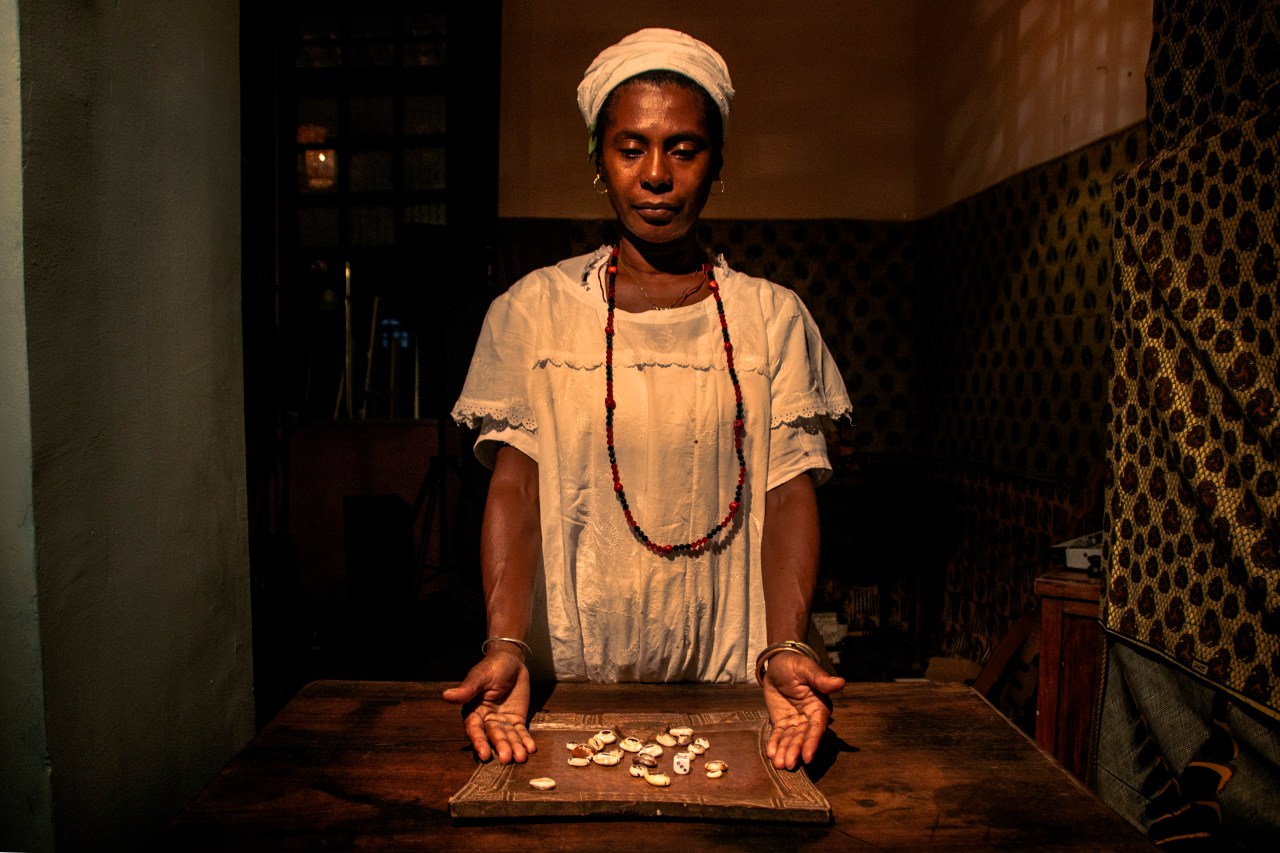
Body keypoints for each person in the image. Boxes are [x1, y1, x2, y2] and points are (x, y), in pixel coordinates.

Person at [443, 28, 851, 772]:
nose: (657, 174)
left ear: (716, 163)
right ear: (599, 161)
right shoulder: (537, 311)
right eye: (632, 148)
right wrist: (504, 640)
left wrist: (786, 645)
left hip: (740, 683)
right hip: (570, 684)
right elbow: (517, 482)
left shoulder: (770, 318)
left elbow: (789, 491)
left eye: (684, 149)